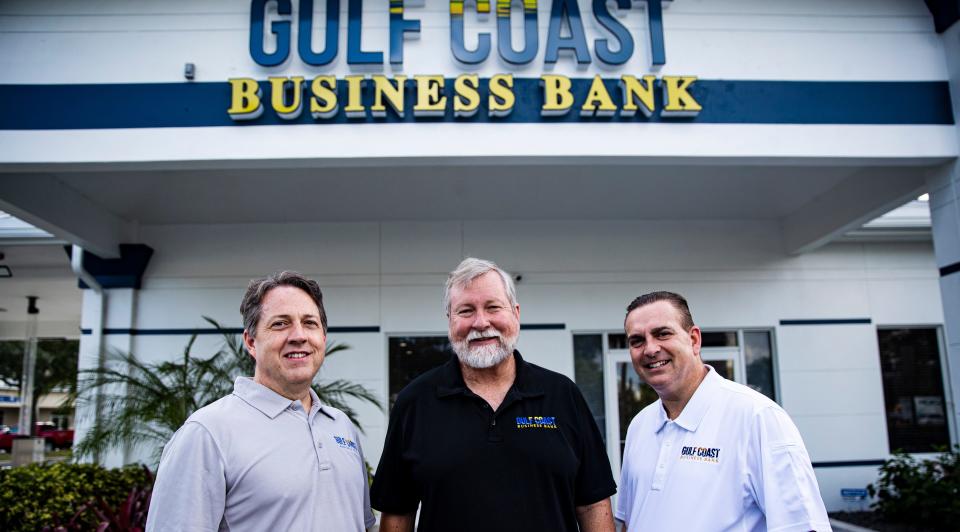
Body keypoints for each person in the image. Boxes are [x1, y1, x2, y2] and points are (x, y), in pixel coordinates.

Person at [371, 257, 616, 532]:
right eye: (465, 311)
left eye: (493, 307)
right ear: (449, 320)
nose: (481, 322)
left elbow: (593, 504)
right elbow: (397, 513)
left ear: (516, 313)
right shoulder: (415, 402)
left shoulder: (563, 395)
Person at [146, 271, 375, 532]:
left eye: (310, 323)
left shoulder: (341, 426)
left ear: (323, 337)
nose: (298, 335)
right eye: (280, 324)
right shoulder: (207, 433)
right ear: (251, 342)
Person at [616, 291, 831, 531]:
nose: (650, 349)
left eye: (662, 334)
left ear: (694, 339)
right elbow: (628, 522)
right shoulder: (639, 426)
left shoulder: (758, 417)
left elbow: (802, 526)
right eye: (637, 341)